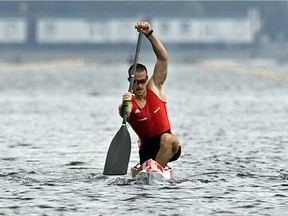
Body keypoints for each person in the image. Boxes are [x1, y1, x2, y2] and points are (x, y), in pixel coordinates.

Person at [118, 21, 181, 168]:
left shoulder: (155, 87)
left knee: (168, 138)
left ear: (147, 79)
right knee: (150, 163)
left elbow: (163, 58)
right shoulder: (129, 102)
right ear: (130, 81)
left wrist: (149, 34)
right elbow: (124, 112)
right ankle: (154, 168)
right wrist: (124, 105)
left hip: (170, 146)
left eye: (143, 81)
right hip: (147, 150)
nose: (139, 85)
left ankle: (156, 169)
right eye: (135, 82)